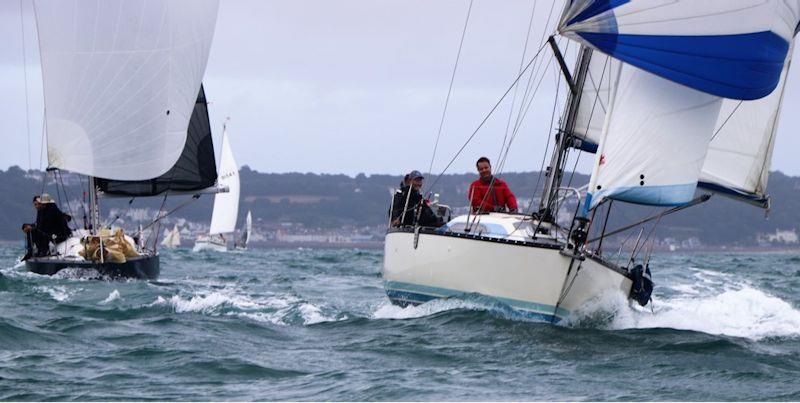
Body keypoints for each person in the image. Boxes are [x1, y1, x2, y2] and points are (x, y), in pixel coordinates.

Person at [21, 194, 72, 260]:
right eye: (36, 204)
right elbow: (39, 224)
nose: (37, 206)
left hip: (59, 236)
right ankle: (32, 251)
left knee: (35, 231)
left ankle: (44, 250)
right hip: (51, 233)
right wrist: (28, 226)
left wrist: (31, 227)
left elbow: (43, 226)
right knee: (31, 231)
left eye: (39, 204)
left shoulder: (51, 211)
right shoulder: (43, 210)